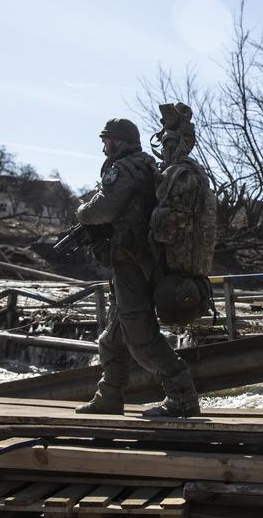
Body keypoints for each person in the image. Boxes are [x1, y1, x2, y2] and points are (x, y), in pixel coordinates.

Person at [74, 117, 201, 418]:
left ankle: (182, 396)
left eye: (107, 140)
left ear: (119, 141)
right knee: (113, 339)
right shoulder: (143, 164)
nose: (104, 146)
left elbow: (105, 208)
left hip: (133, 262)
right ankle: (109, 397)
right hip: (136, 261)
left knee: (140, 338)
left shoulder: (126, 167)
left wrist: (81, 211)